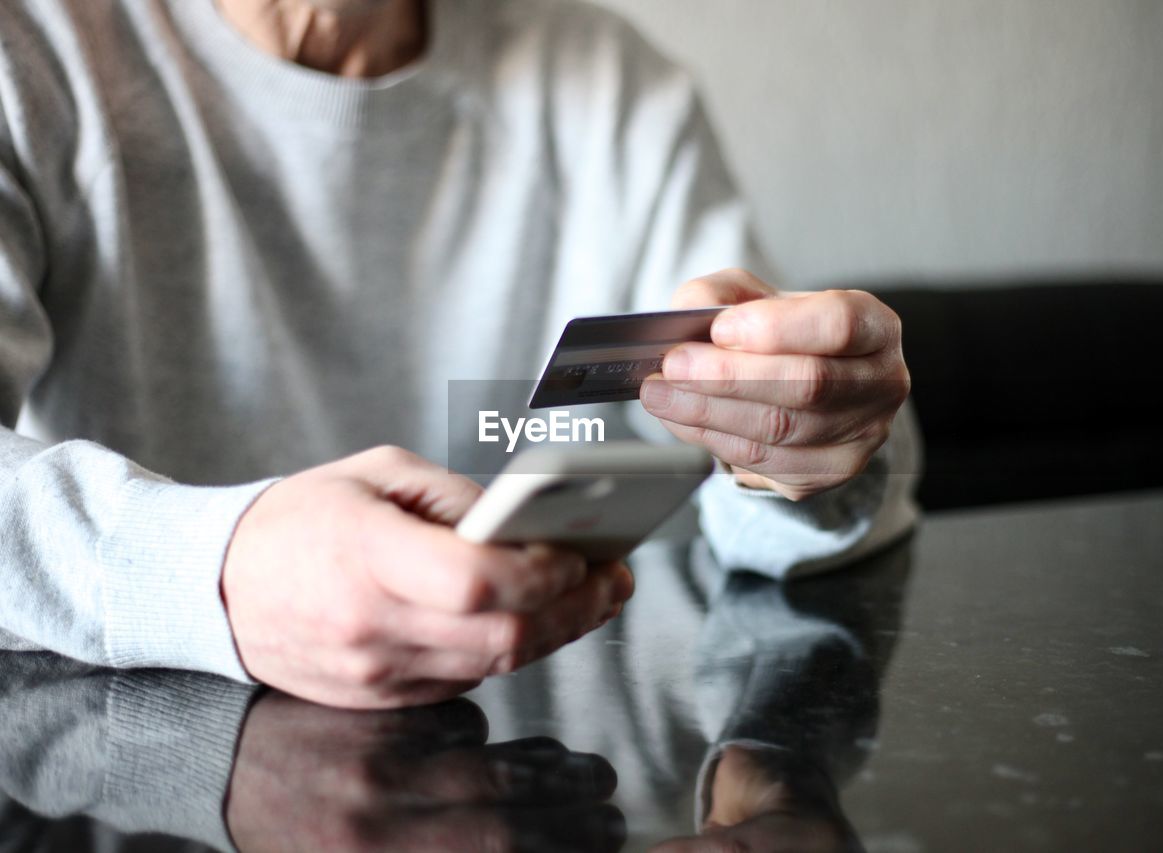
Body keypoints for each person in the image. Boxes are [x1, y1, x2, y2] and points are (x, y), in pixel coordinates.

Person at [0, 0, 918, 709]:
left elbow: (797, 478)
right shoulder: (33, 55)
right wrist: (214, 570)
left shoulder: (610, 85)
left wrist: (800, 449)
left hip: (566, 782)